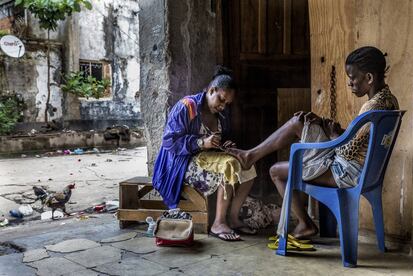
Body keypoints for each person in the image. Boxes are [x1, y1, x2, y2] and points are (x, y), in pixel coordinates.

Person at [226, 46, 399, 239]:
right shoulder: (389, 101)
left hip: (346, 172)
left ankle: (305, 224)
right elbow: (361, 138)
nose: (350, 83)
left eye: (353, 78)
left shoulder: (372, 107)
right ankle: (250, 155)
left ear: (369, 78)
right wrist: (328, 127)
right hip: (363, 169)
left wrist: (333, 135)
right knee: (300, 122)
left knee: (276, 171)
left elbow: (347, 151)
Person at [153, 66, 257, 241]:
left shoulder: (221, 115)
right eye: (221, 100)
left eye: (227, 104)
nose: (223, 106)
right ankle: (218, 223)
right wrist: (201, 142)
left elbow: (213, 146)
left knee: (249, 167)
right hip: (179, 163)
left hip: (203, 159)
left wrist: (223, 145)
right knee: (229, 165)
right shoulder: (187, 107)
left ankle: (233, 217)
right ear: (211, 90)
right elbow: (169, 142)